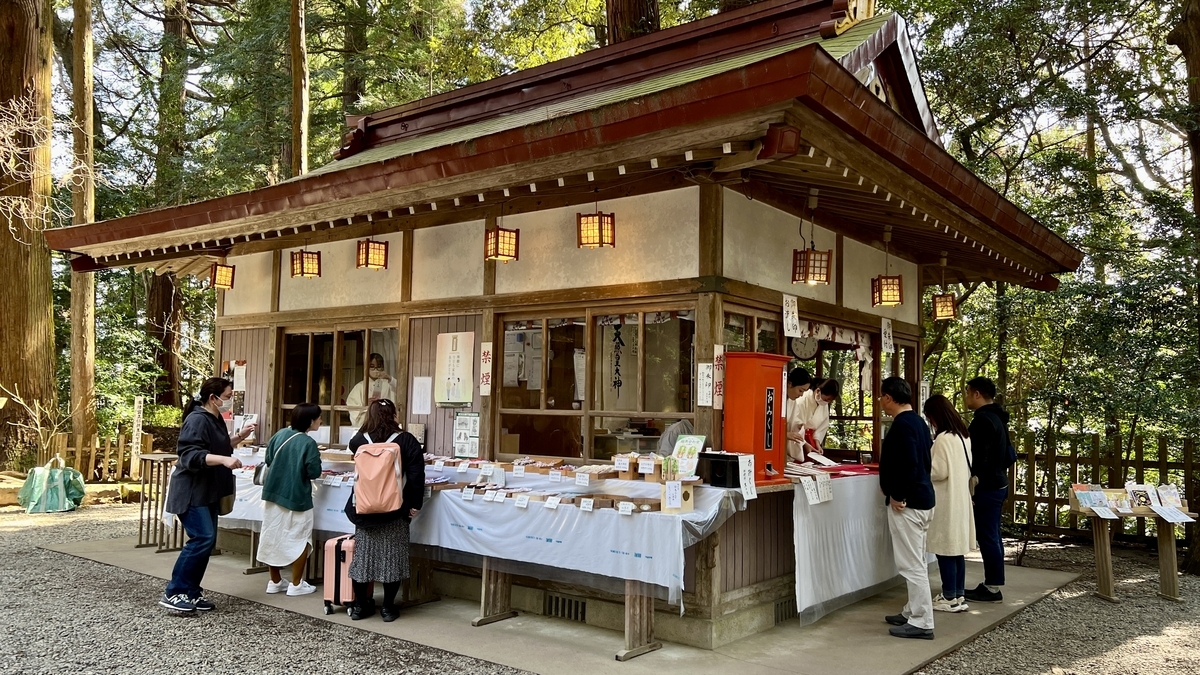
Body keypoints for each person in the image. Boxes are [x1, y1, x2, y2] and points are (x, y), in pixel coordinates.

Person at [160, 377, 256, 613]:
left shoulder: (215, 419)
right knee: (202, 538)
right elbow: (190, 455)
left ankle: (191, 592)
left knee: (207, 540)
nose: (230, 400)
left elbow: (220, 446)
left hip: (209, 491)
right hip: (191, 492)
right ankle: (175, 592)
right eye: (228, 396)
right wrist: (224, 459)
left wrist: (240, 437)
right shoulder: (197, 419)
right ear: (213, 398)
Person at [346, 399, 425, 622]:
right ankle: (388, 608)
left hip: (363, 508)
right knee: (393, 558)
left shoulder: (359, 440)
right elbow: (417, 476)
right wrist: (414, 505)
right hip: (395, 508)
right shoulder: (406, 440)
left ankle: (361, 606)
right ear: (393, 414)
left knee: (363, 558)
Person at [878, 376, 935, 640]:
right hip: (922, 499)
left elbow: (909, 463)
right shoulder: (919, 422)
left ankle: (922, 621)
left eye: (881, 397)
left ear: (889, 397)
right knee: (916, 560)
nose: (880, 402)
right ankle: (912, 610)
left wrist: (897, 494)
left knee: (912, 564)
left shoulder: (902, 425)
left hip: (908, 503)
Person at [259, 403, 324, 597]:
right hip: (297, 496)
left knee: (272, 535)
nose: (321, 421)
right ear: (311, 421)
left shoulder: (279, 435)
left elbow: (269, 459)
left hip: (272, 493)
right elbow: (314, 471)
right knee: (300, 538)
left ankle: (275, 581)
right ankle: (296, 584)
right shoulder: (307, 443)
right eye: (319, 418)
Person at [922, 394, 975, 613]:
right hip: (961, 499)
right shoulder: (963, 435)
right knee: (956, 550)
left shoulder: (943, 438)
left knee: (945, 549)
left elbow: (938, 471)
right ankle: (958, 594)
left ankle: (948, 595)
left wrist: (923, 467)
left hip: (946, 500)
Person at [963, 376, 1012, 604]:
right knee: (993, 535)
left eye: (967, 392)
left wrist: (973, 482)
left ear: (976, 394)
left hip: (987, 486)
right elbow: (1008, 455)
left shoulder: (983, 421)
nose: (965, 397)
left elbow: (977, 458)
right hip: (999, 481)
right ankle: (993, 582)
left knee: (988, 535)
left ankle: (993, 587)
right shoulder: (999, 418)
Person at [346, 353, 398, 428]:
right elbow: (351, 405)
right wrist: (364, 404)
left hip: (385, 424)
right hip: (366, 424)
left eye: (379, 367)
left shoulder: (388, 384)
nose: (375, 370)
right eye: (372, 367)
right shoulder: (360, 387)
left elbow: (402, 391)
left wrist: (389, 378)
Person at [797, 378, 840, 456]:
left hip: (811, 439)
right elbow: (796, 424)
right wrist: (804, 443)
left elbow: (822, 426)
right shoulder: (803, 399)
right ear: (818, 391)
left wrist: (817, 443)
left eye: (829, 401)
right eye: (826, 399)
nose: (827, 402)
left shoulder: (824, 404)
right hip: (798, 438)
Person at [785, 368, 812, 461]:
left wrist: (799, 425)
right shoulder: (773, 396)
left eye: (804, 392)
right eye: (800, 390)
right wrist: (785, 434)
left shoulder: (792, 402)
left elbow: (794, 420)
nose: (801, 395)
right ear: (789, 384)